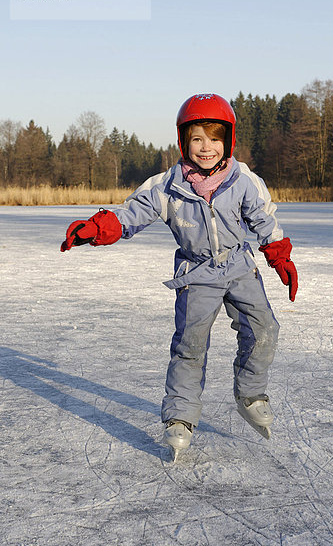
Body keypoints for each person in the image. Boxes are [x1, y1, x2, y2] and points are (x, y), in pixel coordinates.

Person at [61, 93, 298, 461]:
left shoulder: (243, 179)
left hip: (238, 266)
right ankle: (181, 417)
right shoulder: (167, 185)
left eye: (215, 138)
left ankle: (250, 393)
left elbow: (263, 218)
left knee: (265, 328)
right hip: (196, 272)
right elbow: (131, 214)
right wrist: (99, 227)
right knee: (190, 346)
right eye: (197, 139)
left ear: (228, 141)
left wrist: (278, 254)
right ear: (183, 141)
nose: (206, 148)